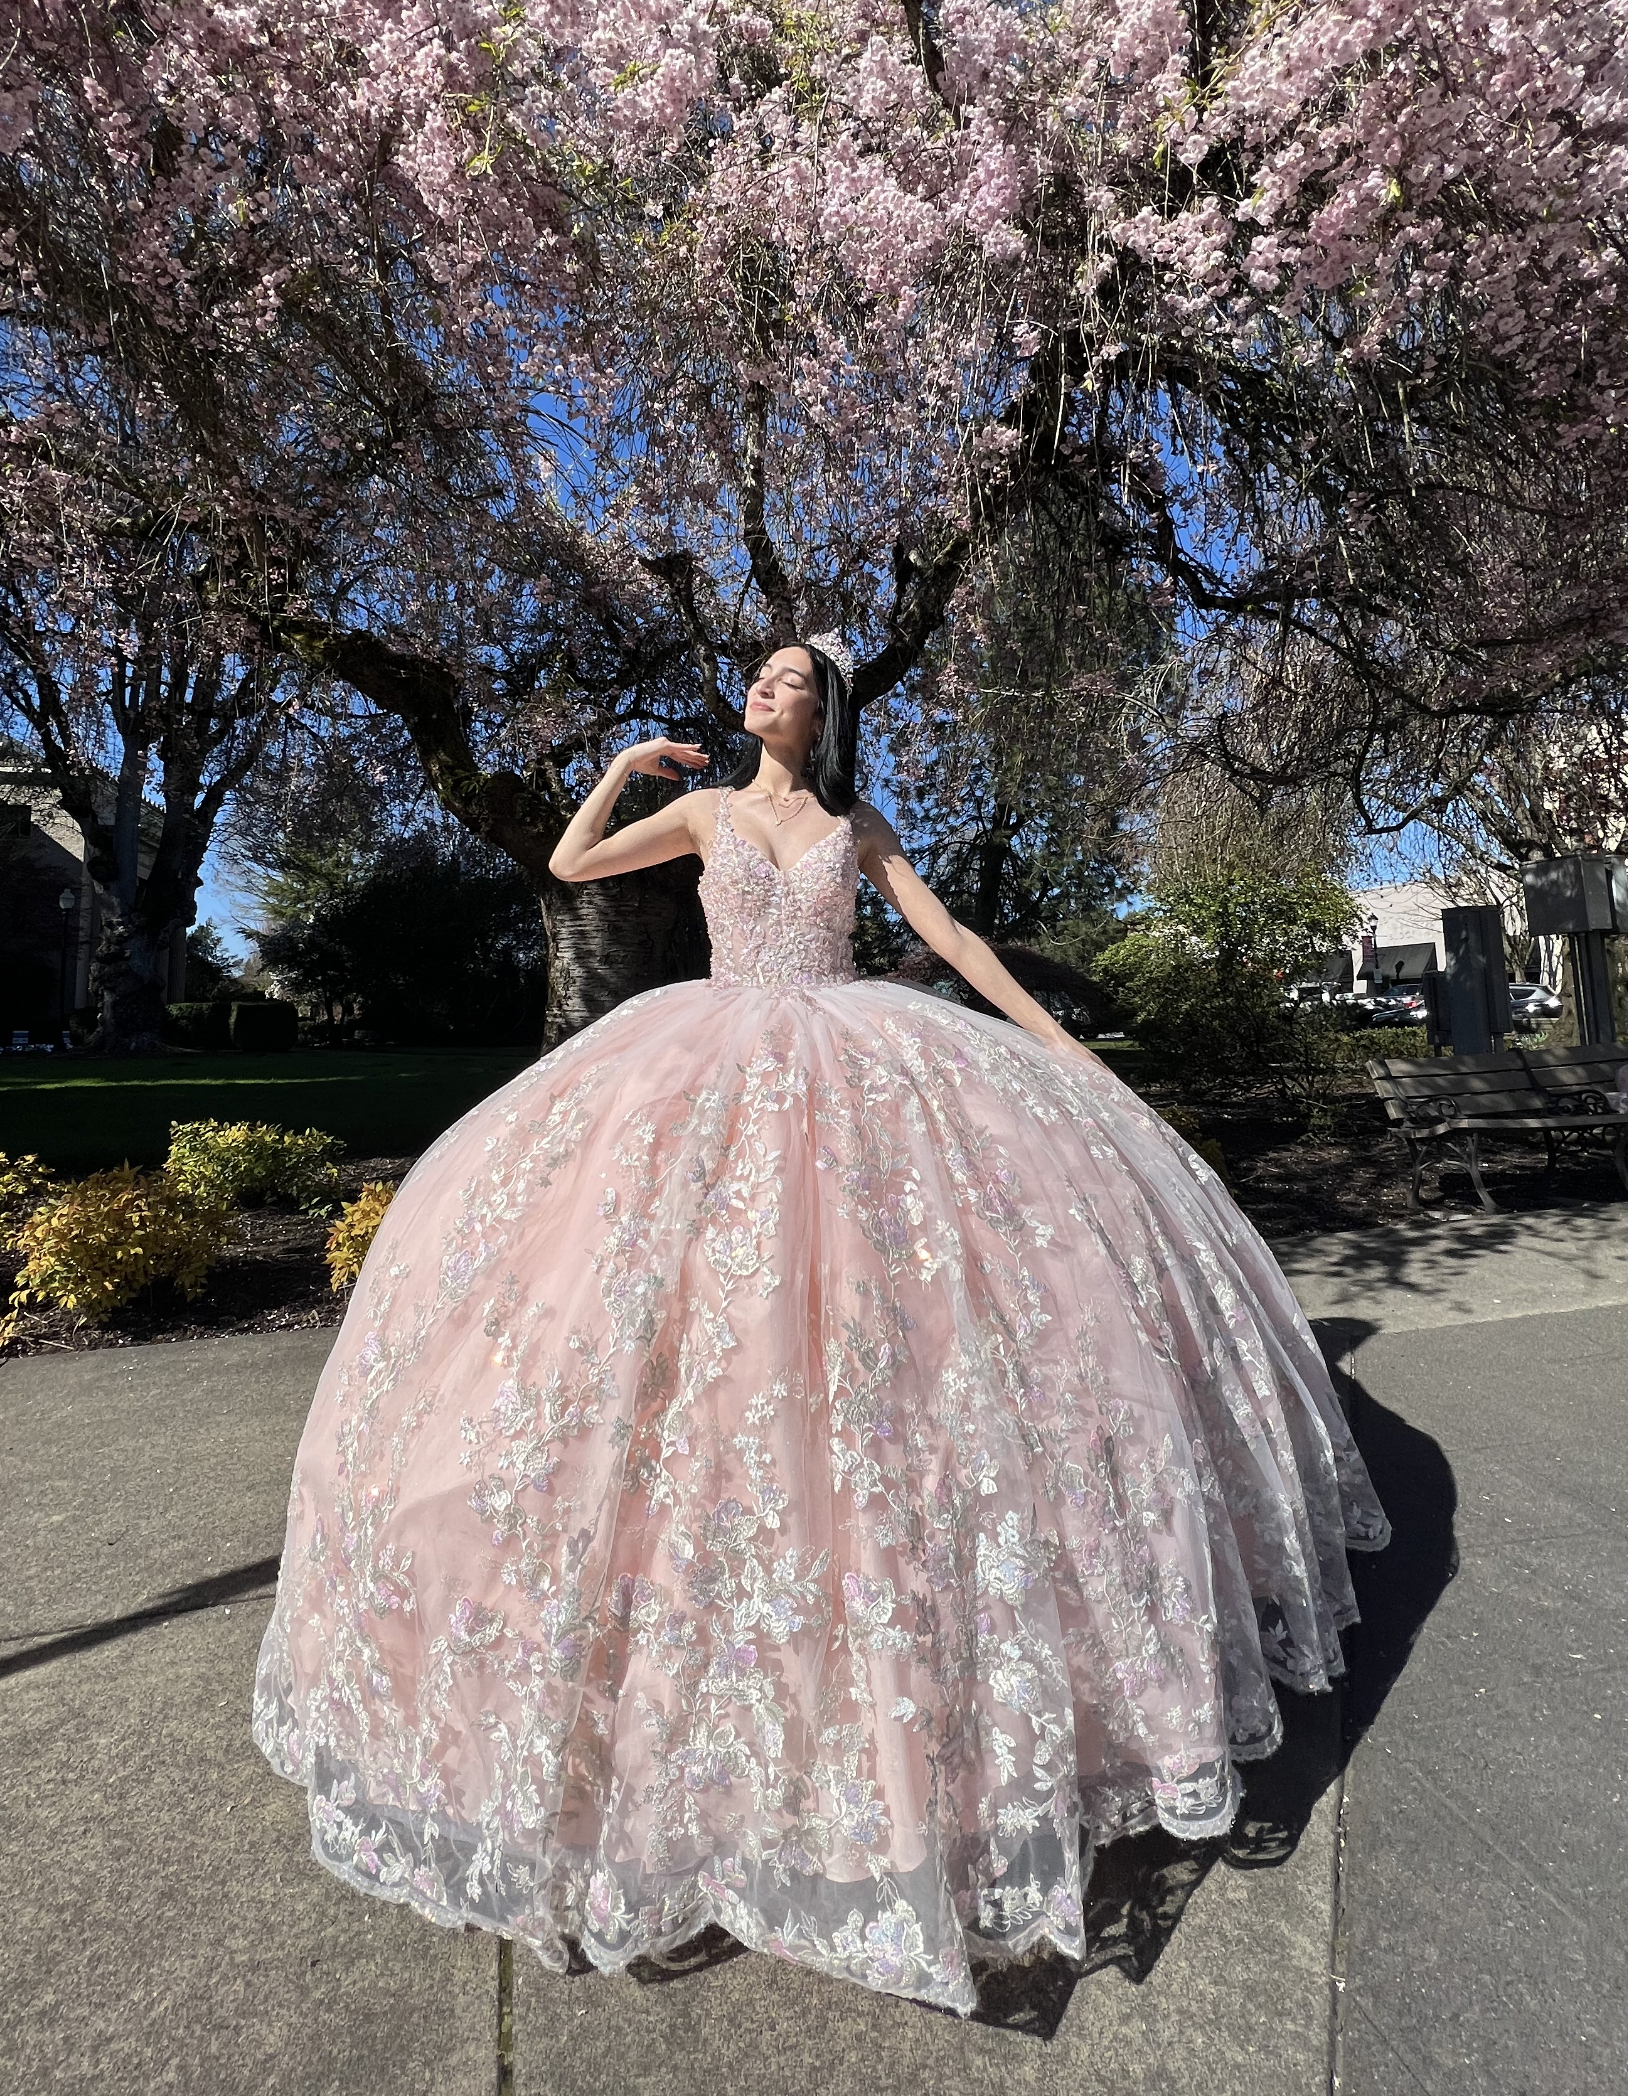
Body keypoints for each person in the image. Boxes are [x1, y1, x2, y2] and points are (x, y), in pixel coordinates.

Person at [253, 634, 1388, 2017]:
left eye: (787, 680)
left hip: (864, 1071)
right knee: (670, 1342)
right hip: (705, 1064)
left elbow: (946, 934)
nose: (762, 691)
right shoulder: (703, 811)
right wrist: (616, 771)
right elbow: (568, 869)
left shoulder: (854, 823)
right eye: (759, 679)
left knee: (880, 1354)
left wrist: (1053, 1040)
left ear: (824, 710)